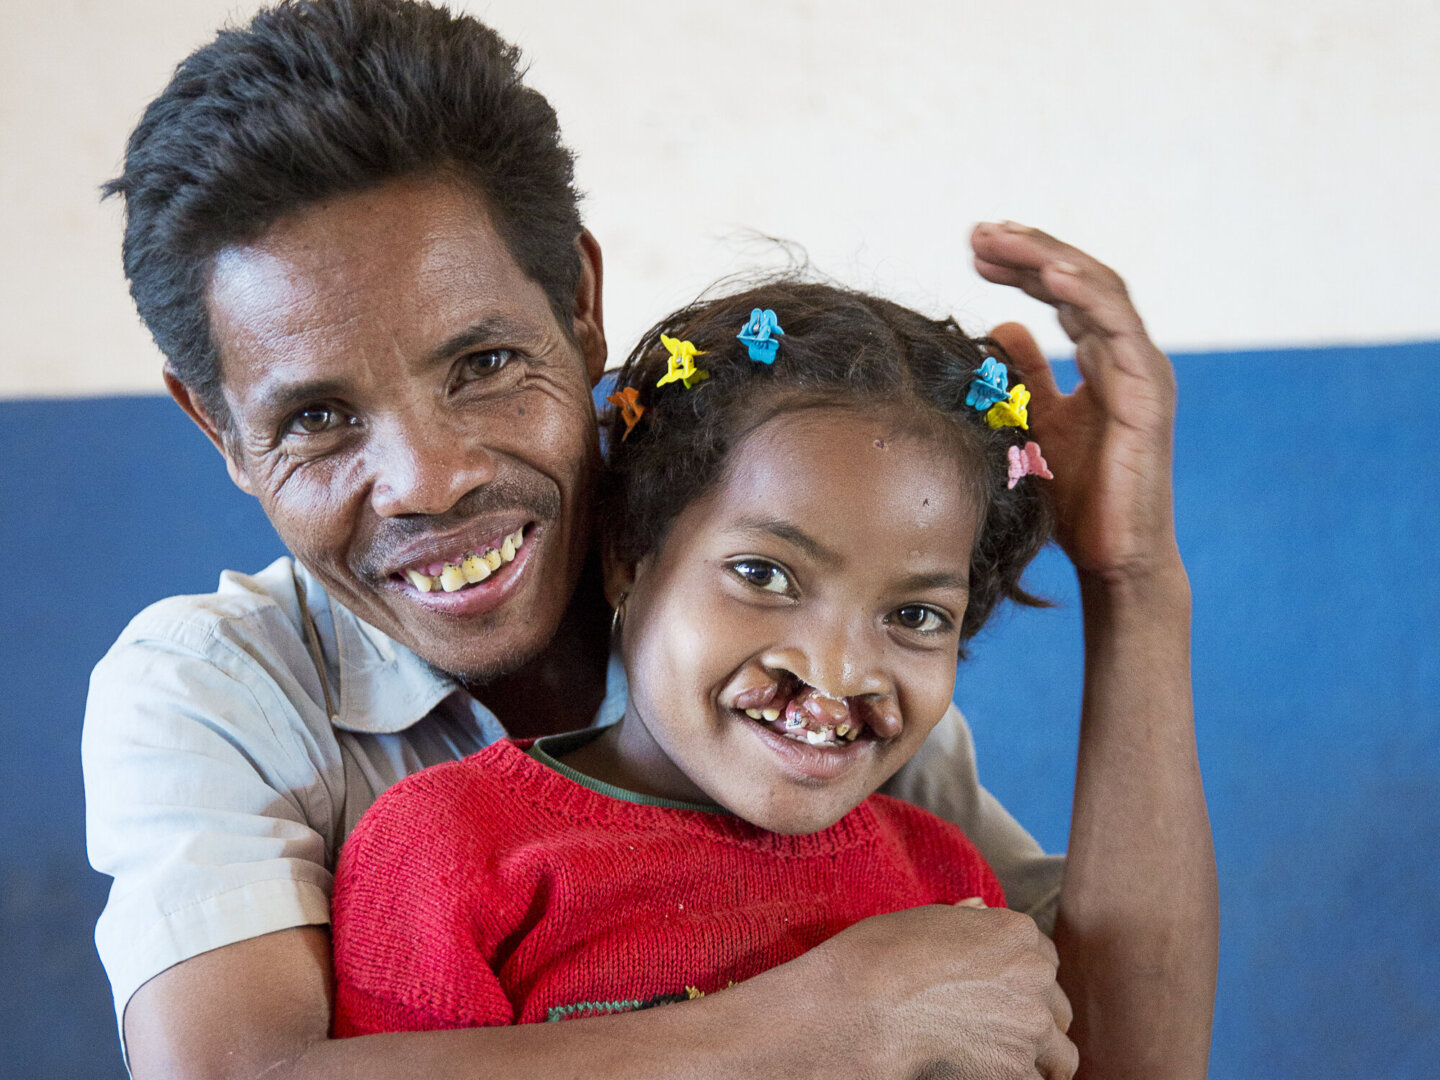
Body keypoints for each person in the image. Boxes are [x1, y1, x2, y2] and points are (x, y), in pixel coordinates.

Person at [84, 0, 1217, 1077]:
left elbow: (1113, 1057)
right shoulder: (212, 692)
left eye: (482, 365)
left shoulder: (801, 645)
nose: (428, 482)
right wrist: (819, 1029)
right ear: (220, 427)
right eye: (317, 419)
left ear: (581, 307)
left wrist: (1134, 584)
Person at [326, 280, 1065, 1034]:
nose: (838, 672)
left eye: (915, 615)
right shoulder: (449, 850)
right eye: (763, 575)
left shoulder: (944, 878)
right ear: (629, 554)